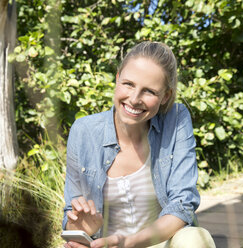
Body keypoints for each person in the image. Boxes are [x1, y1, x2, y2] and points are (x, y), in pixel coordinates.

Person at [62, 41, 215, 248]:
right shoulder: (83, 131)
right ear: (117, 79)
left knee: (193, 238)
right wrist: (78, 230)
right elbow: (71, 221)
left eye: (149, 91)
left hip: (158, 244)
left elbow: (183, 204)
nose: (134, 99)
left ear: (165, 96)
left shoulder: (176, 119)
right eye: (128, 84)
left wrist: (128, 243)